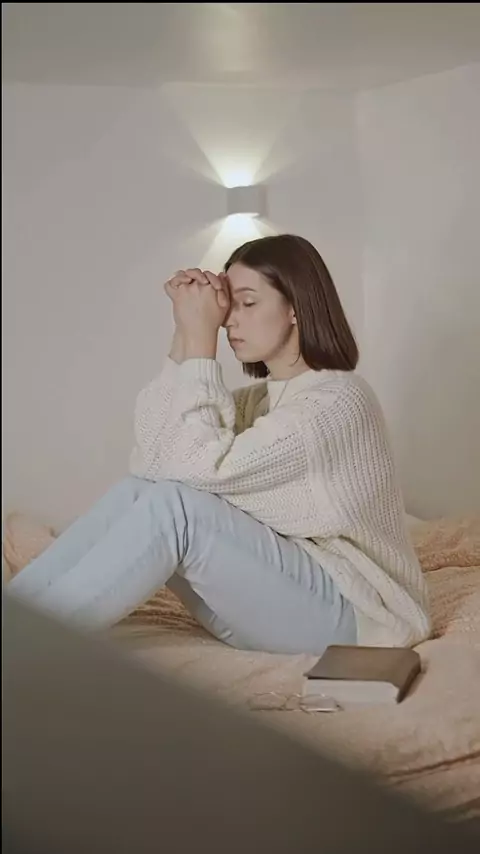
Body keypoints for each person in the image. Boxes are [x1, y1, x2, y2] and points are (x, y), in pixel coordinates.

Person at [9, 234, 430, 654]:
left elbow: (194, 469)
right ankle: (15, 615)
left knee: (175, 507)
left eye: (248, 303)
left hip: (358, 615)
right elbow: (154, 461)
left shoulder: (337, 401)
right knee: (139, 491)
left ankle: (26, 646)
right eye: (230, 306)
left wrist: (200, 343)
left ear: (295, 308)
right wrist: (184, 333)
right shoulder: (258, 402)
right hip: (284, 604)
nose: (230, 321)